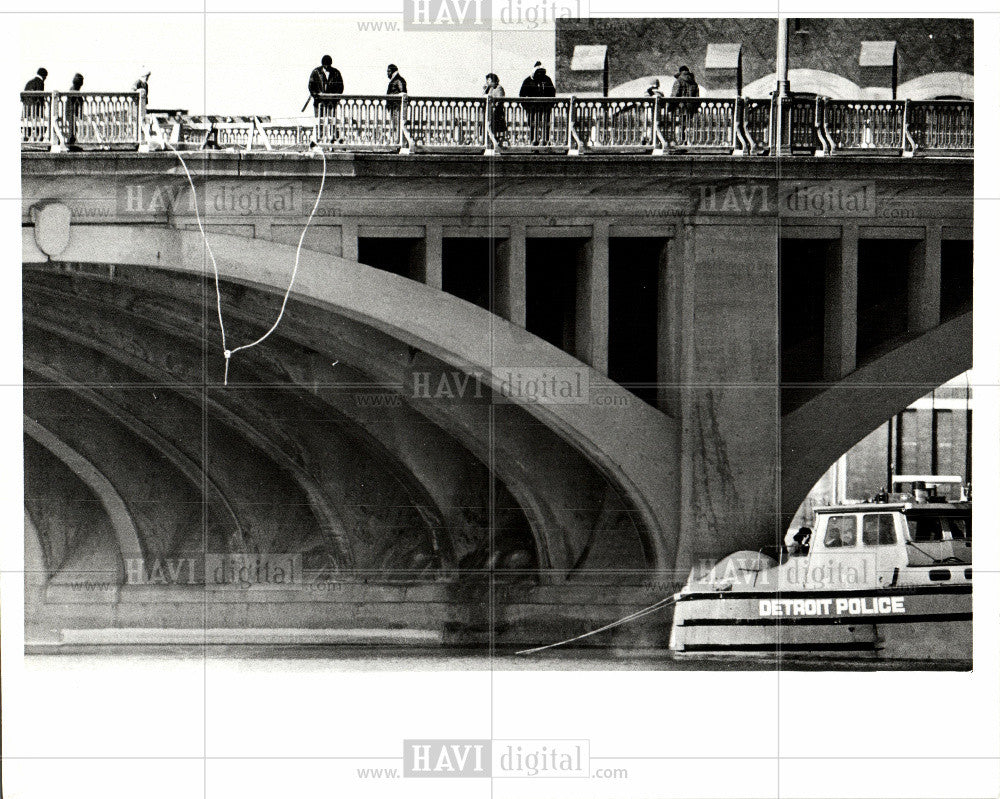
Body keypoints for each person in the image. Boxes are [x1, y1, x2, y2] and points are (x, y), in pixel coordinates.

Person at [518, 62, 556, 146]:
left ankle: (545, 141)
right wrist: (526, 107)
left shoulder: (547, 80)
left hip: (545, 108)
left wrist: (550, 104)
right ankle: (533, 141)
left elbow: (552, 92)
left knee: (546, 124)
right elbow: (522, 95)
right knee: (532, 124)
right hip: (531, 109)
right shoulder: (528, 80)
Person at [385, 64, 407, 143]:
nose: (387, 73)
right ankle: (396, 141)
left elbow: (403, 93)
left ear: (393, 71)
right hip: (394, 107)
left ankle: (397, 141)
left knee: (397, 125)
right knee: (395, 125)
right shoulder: (397, 80)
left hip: (397, 108)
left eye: (388, 71)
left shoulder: (398, 80)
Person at [483, 73, 507, 145]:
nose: (487, 82)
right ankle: (492, 143)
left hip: (497, 112)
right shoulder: (490, 89)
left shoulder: (499, 88)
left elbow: (500, 99)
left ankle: (496, 143)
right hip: (490, 111)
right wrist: (486, 89)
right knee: (489, 127)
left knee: (495, 129)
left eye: (489, 80)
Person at [65, 73, 85, 149]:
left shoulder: (72, 89)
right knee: (72, 130)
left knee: (73, 130)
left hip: (71, 114)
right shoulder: (74, 90)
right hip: (72, 114)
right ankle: (71, 145)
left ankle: (71, 144)